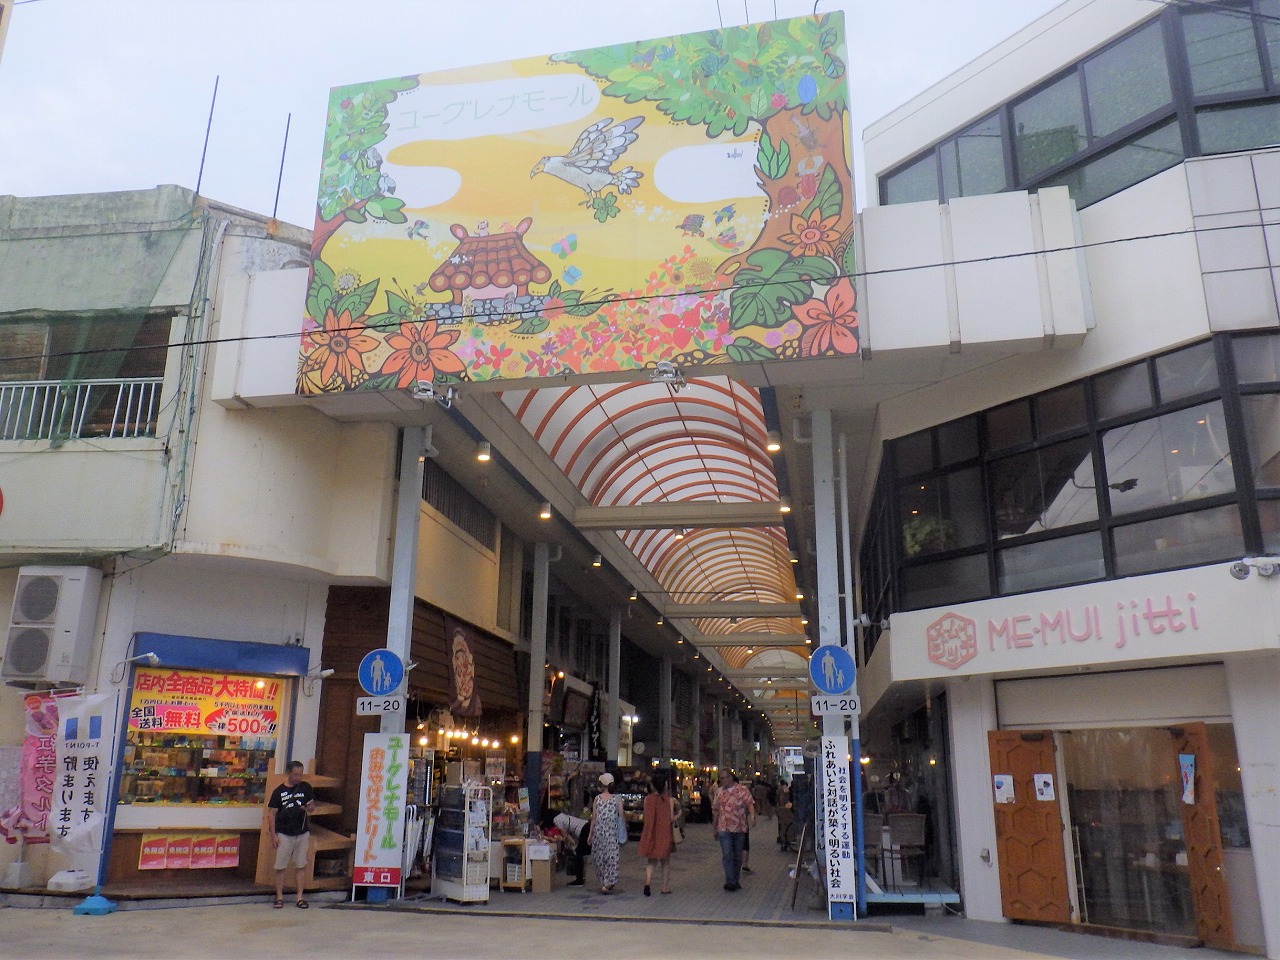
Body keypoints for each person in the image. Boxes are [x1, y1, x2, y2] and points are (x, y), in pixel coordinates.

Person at [267, 760, 316, 909]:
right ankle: (279, 896)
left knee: (301, 865)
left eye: (300, 774)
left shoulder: (306, 788)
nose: (298, 777)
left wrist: (309, 807)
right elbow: (272, 814)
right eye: (295, 774)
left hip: (302, 832)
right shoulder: (278, 792)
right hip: (284, 833)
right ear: (289, 773)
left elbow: (312, 806)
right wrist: (273, 835)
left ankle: (299, 897)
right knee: (280, 866)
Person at [712, 769, 755, 891]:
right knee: (727, 855)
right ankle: (730, 881)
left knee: (737, 856)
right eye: (720, 778)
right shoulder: (719, 792)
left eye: (724, 778)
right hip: (724, 828)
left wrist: (752, 816)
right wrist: (714, 828)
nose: (722, 780)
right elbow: (715, 811)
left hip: (739, 828)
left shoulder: (742, 790)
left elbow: (750, 804)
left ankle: (735, 879)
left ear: (731, 777)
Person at [637, 770, 675, 896]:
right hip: (664, 834)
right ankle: (664, 887)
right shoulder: (669, 800)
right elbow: (671, 818)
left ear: (652, 785)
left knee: (651, 861)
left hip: (651, 833)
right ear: (664, 785)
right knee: (665, 862)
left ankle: (647, 882)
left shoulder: (647, 799)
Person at [587, 772, 624, 894]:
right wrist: (623, 832)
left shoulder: (597, 799)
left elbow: (594, 818)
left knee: (599, 858)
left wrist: (590, 834)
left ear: (602, 784)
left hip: (598, 833)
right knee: (612, 858)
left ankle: (604, 882)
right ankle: (608, 883)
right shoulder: (617, 799)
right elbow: (621, 817)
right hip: (612, 834)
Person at [547, 809, 590, 886]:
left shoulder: (556, 819)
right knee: (582, 853)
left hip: (584, 829)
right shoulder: (562, 816)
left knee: (579, 854)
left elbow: (565, 834)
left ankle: (579, 880)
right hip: (586, 825)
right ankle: (581, 878)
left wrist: (572, 843)